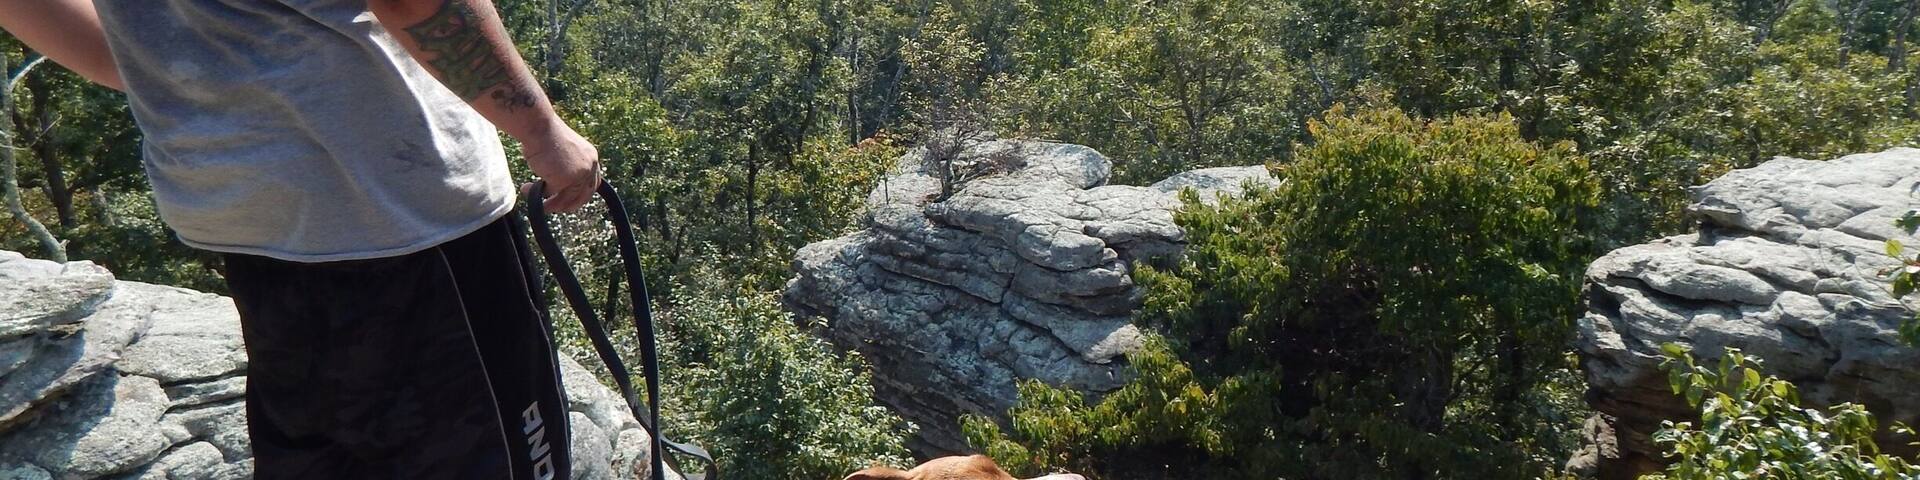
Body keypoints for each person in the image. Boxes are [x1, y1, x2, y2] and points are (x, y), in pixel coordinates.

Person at [0, 0, 600, 478]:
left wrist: (165, 65)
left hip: (243, 210)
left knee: (323, 450)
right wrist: (540, 129)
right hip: (401, 209)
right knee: (489, 454)